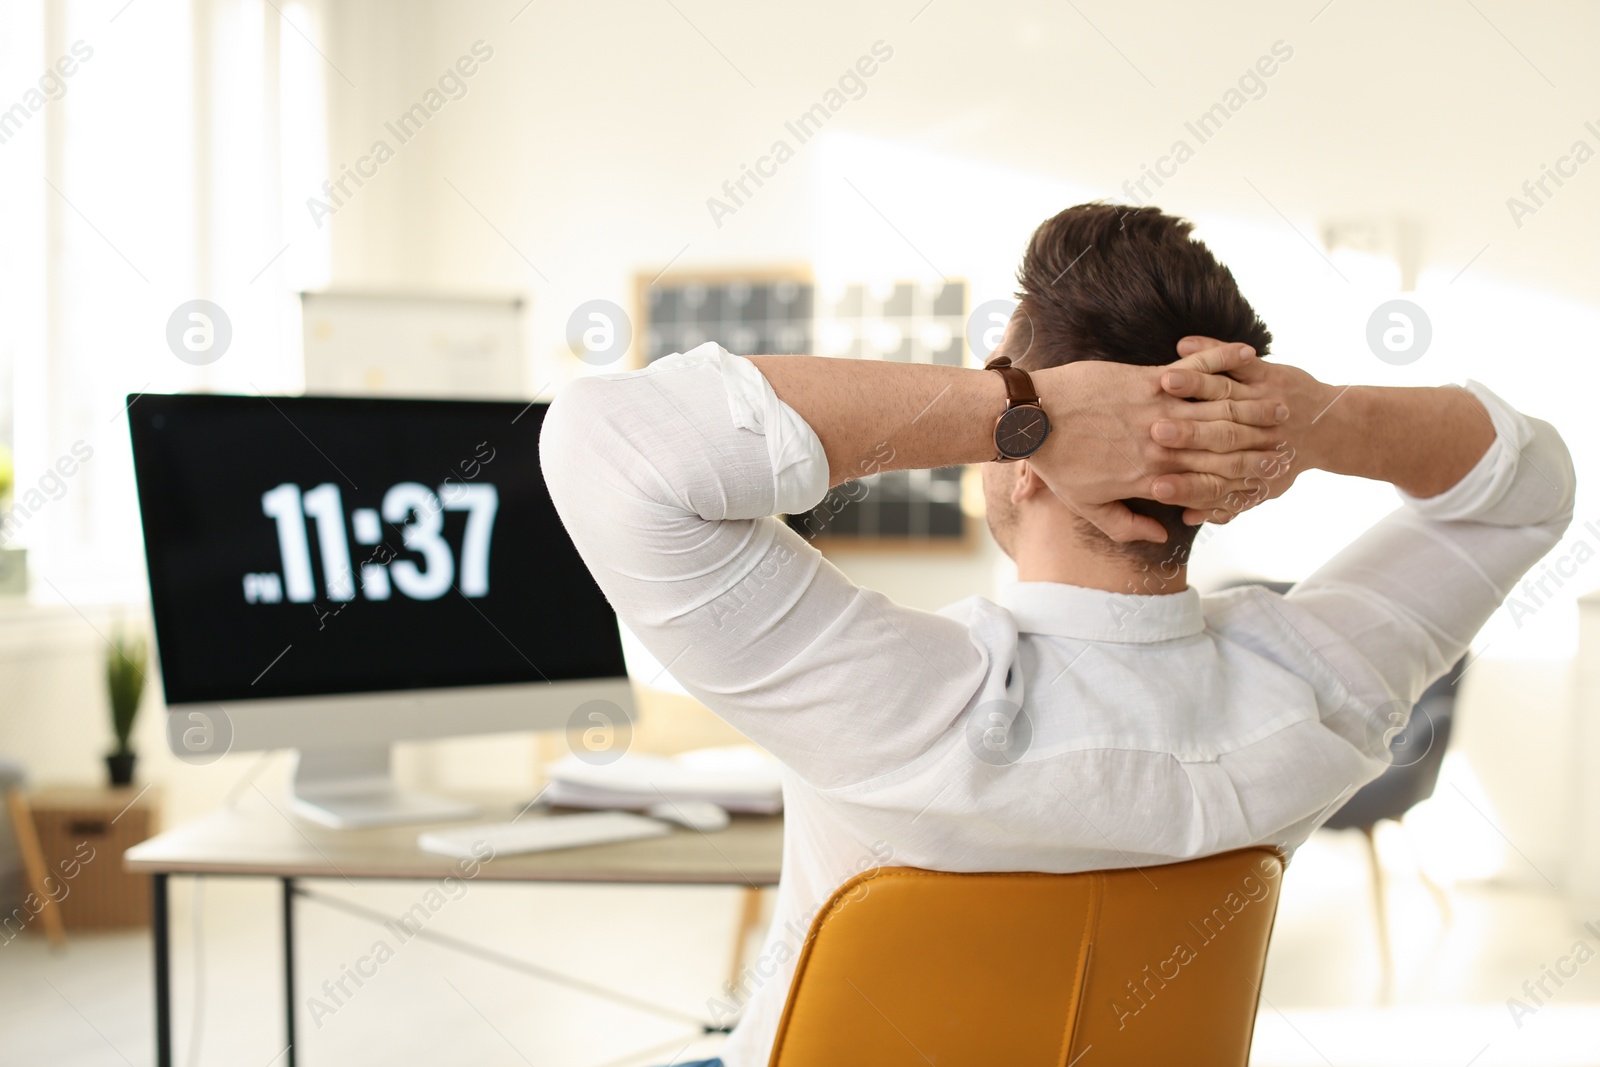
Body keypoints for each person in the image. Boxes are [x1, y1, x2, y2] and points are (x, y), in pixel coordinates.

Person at [539, 203, 1574, 1066]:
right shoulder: (1314, 696)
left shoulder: (905, 705)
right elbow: (1532, 486)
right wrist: (1312, 420)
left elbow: (607, 447)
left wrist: (1021, 409)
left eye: (1017, 394)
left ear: (1025, 453)